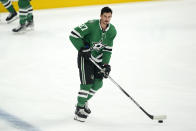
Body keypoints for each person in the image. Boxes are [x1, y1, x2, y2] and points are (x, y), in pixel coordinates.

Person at [69, 6, 117, 122]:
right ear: (100, 16)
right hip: (85, 58)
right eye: (105, 16)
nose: (107, 19)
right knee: (87, 84)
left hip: (98, 60)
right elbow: (73, 34)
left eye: (109, 17)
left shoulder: (112, 31)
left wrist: (105, 64)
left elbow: (107, 50)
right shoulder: (91, 25)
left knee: (98, 84)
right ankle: (79, 109)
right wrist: (82, 48)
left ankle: (83, 101)